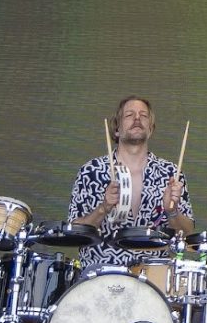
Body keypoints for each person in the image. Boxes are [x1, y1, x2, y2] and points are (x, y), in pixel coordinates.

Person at [66, 95, 194, 273]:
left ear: (151, 129)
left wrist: (172, 211)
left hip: (152, 276)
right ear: (117, 129)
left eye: (143, 115)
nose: (137, 118)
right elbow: (74, 233)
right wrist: (103, 208)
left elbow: (187, 234)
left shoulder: (171, 173)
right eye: (129, 115)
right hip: (101, 273)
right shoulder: (91, 171)